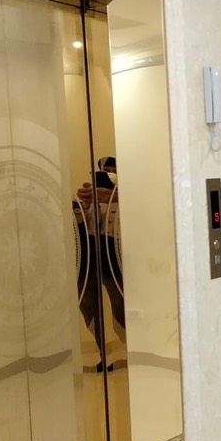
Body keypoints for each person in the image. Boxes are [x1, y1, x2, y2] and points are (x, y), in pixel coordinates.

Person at [73, 156, 124, 369]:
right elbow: (83, 225)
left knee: (121, 306)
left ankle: (127, 351)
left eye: (113, 170)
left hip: (116, 256)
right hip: (90, 256)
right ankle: (103, 354)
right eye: (105, 171)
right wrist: (84, 205)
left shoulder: (127, 195)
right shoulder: (94, 196)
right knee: (87, 305)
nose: (109, 174)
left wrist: (117, 197)